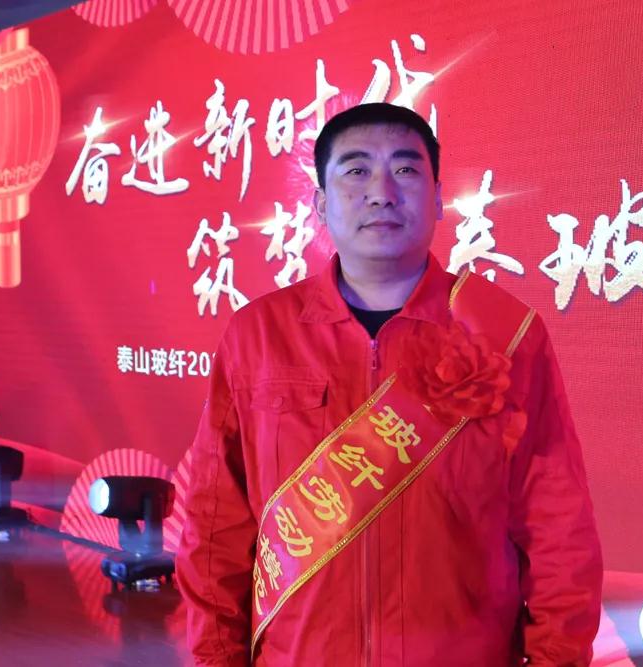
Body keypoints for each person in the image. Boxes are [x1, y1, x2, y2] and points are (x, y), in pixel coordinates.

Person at [176, 102, 603, 666]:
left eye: (405, 170)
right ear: (320, 203)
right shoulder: (258, 334)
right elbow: (215, 523)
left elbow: (556, 519)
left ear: (438, 198)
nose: (381, 192)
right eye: (356, 170)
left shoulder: (503, 333)